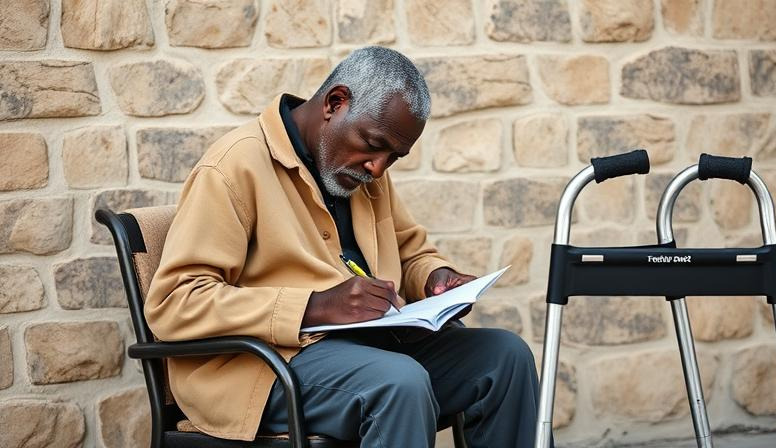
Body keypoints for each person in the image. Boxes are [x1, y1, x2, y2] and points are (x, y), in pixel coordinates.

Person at [146, 46, 542, 447]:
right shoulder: (235, 166)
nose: (378, 168)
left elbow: (411, 252)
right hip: (264, 369)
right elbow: (175, 302)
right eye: (373, 144)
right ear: (336, 103)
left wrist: (436, 278)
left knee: (504, 357)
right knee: (397, 384)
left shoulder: (363, 171)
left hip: (369, 351)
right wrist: (315, 306)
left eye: (394, 157)